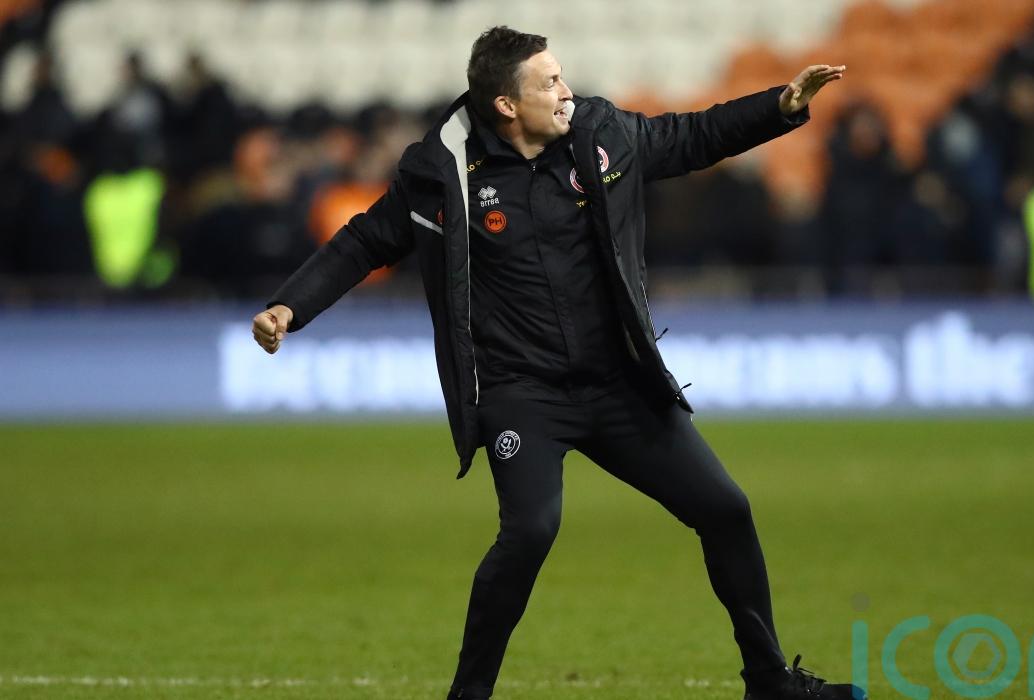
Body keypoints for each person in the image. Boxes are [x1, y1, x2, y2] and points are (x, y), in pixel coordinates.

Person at [252, 26, 855, 700]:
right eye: (550, 83)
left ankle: (770, 683)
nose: (567, 92)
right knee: (531, 530)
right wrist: (290, 306)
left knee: (726, 509)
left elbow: (690, 137)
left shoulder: (600, 134)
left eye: (562, 76)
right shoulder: (441, 171)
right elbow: (367, 239)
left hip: (617, 383)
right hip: (522, 395)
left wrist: (779, 105)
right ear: (507, 105)